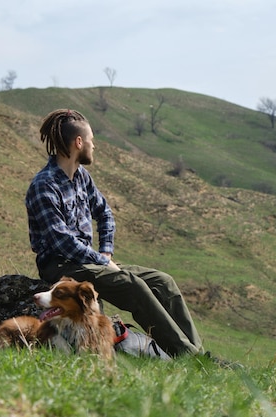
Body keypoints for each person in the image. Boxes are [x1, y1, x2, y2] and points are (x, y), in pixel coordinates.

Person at [25, 108, 204, 357]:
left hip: (88, 261)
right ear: (79, 142)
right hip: (61, 266)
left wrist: (106, 253)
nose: (93, 146)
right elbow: (61, 241)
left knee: (164, 282)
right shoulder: (45, 185)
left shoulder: (81, 178)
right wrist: (102, 262)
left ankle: (197, 352)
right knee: (134, 286)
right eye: (91, 141)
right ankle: (188, 356)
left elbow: (105, 213)